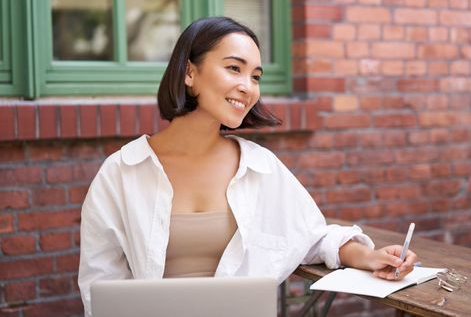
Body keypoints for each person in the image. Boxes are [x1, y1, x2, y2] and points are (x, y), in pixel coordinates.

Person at [78, 16, 417, 316]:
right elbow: (101, 284)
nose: (248, 87)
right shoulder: (122, 171)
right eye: (234, 68)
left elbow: (310, 236)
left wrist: (368, 256)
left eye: (256, 76)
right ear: (189, 73)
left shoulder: (258, 166)